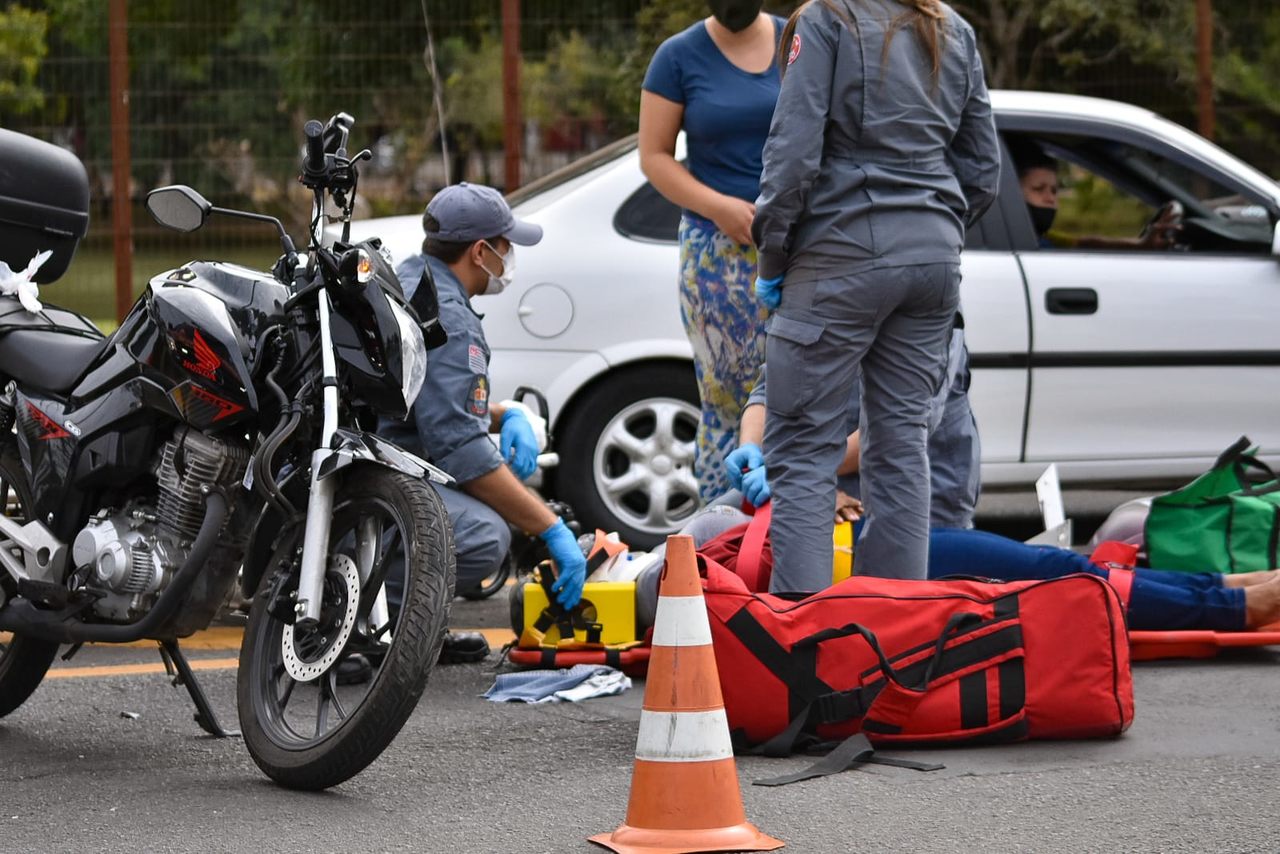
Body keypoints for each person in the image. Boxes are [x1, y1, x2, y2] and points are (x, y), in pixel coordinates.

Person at [750, 0, 1000, 592]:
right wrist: (930, 224)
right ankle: (897, 638)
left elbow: (791, 156)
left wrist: (773, 256)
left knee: (805, 450)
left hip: (839, 256)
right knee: (902, 443)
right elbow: (983, 169)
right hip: (933, 261)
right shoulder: (952, 28)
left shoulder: (825, 19)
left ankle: (809, 650)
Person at [379, 183, 588, 662]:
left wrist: (506, 412)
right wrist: (550, 528)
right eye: (506, 246)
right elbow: (462, 449)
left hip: (363, 457)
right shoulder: (448, 318)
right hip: (376, 479)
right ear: (481, 251)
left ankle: (409, 621)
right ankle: (377, 629)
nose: (510, 257)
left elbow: (424, 399)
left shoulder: (411, 278)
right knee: (484, 535)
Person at [634, 490, 1280, 634]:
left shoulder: (681, 547)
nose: (593, 545)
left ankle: (1225, 587)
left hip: (874, 555)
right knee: (1069, 579)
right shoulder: (671, 577)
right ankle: (1236, 603)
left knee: (1062, 568)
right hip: (880, 573)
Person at [638, 0, 787, 502]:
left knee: (801, 395)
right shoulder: (678, 56)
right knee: (730, 403)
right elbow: (654, 156)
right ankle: (722, 536)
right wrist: (720, 206)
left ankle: (796, 530)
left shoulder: (799, 42)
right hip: (719, 258)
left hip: (799, 246)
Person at [731, 321, 981, 530]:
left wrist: (797, 475)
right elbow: (771, 386)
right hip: (817, 489)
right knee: (707, 529)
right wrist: (751, 450)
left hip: (914, 505)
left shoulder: (925, 304)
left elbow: (898, 428)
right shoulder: (815, 282)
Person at [1011, 138, 1182, 250]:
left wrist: (1142, 245)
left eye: (1054, 190)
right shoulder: (1013, 243)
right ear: (1012, 194)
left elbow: (1082, 243)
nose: (1050, 199)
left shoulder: (1040, 238)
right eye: (1038, 189)